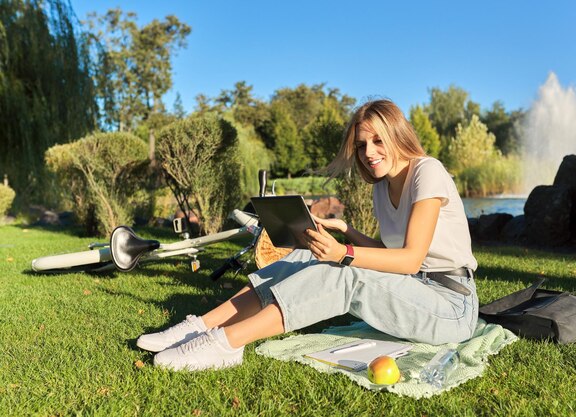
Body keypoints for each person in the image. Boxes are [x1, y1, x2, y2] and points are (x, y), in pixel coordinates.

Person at [137, 99, 479, 371]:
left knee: (348, 274)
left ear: (398, 135)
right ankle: (202, 326)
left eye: (378, 141)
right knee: (304, 255)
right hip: (414, 289)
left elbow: (410, 260)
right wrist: (346, 231)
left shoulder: (427, 172)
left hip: (450, 305)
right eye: (361, 146)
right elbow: (388, 252)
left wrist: (343, 252)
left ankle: (227, 344)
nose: (369, 153)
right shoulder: (383, 185)